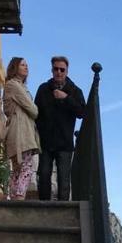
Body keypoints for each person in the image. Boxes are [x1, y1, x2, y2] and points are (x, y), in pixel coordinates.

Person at [34, 56, 85, 201]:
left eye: (62, 69)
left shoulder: (75, 91)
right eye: (56, 69)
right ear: (52, 70)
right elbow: (35, 112)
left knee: (64, 180)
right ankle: (44, 209)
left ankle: (63, 211)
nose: (59, 72)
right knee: (43, 175)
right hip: (45, 142)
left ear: (67, 71)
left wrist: (66, 98)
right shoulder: (43, 89)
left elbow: (82, 112)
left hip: (65, 143)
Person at [3, 57, 40, 201]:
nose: (26, 67)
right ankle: (18, 197)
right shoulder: (14, 85)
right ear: (15, 67)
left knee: (18, 167)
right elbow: (33, 110)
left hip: (17, 130)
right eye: (23, 65)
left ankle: (14, 197)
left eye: (27, 65)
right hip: (20, 131)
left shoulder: (17, 86)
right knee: (26, 167)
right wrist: (34, 108)